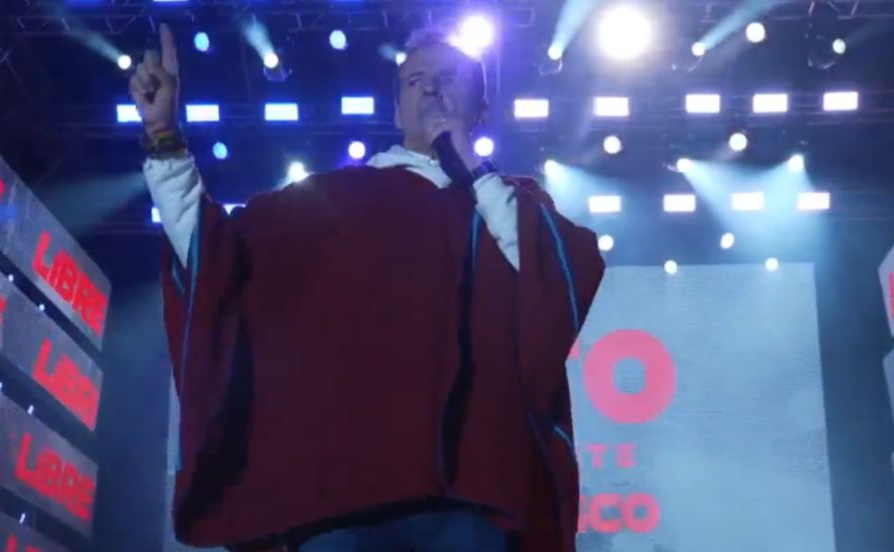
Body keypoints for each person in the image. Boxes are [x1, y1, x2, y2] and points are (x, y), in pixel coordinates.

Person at [131, 23, 604, 552]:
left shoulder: (508, 203)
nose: (431, 88)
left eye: (448, 78)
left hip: (467, 500)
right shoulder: (329, 202)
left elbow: (548, 281)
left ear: (482, 108)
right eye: (415, 81)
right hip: (337, 503)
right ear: (396, 111)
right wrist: (164, 138)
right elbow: (215, 258)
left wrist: (470, 165)